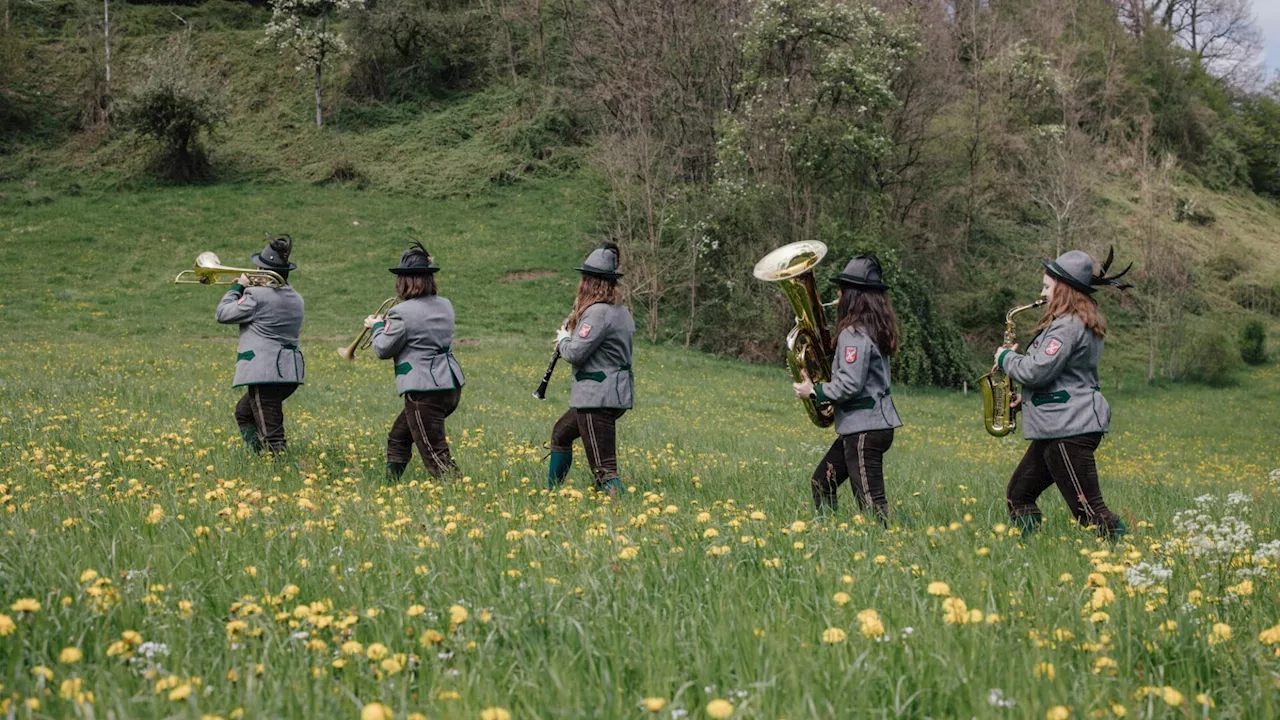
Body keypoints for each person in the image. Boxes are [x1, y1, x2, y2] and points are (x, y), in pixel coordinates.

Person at [994, 248, 1132, 538]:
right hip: (1058, 425)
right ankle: (1026, 552)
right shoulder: (1073, 323)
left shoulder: (1066, 327)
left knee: (1090, 512)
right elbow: (1065, 378)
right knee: (1018, 494)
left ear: (1063, 289)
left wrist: (1006, 358)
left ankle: (1131, 554)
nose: (1042, 292)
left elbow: (1036, 371)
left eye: (1047, 286)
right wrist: (1026, 399)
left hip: (1068, 429)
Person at [793, 255, 903, 522]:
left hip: (865, 428)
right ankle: (831, 536)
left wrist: (815, 392)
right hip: (860, 427)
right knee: (822, 482)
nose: (838, 295)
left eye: (842, 289)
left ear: (854, 295)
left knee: (871, 504)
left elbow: (851, 384)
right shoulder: (871, 328)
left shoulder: (854, 333)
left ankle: (892, 546)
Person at [367, 242, 466, 481]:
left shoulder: (401, 313)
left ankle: (463, 494)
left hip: (423, 390)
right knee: (399, 436)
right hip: (449, 385)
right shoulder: (445, 304)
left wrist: (377, 326)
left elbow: (382, 349)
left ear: (404, 282)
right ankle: (388, 487)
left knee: (435, 455)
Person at [546, 242, 635, 495]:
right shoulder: (620, 311)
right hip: (612, 393)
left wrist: (564, 339)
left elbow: (575, 353)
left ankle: (619, 511)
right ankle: (550, 494)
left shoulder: (596, 314)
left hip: (597, 396)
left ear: (589, 283)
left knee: (604, 467)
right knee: (561, 434)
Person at [215, 234, 305, 455]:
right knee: (244, 412)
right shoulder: (296, 298)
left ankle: (278, 466)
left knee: (271, 428)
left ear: (265, 272)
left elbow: (223, 314)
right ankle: (258, 458)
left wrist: (237, 289)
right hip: (289, 370)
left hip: (264, 371)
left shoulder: (256, 296)